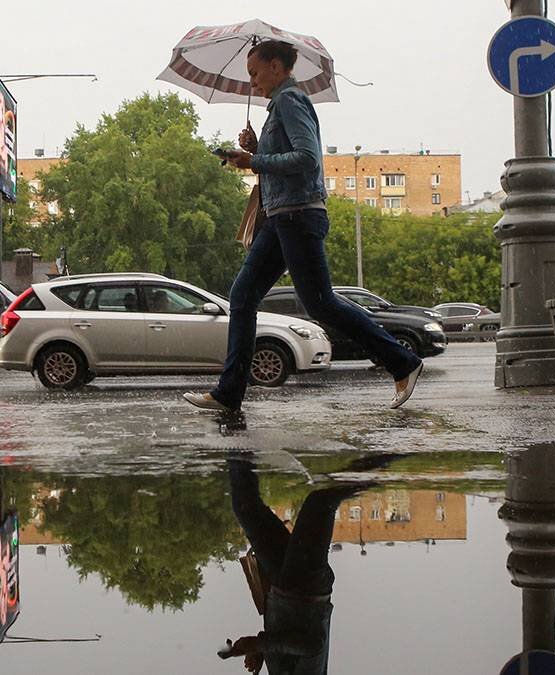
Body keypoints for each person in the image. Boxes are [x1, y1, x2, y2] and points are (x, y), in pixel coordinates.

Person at [184, 40, 423, 413]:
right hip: (282, 217)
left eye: (255, 73)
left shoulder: (290, 100)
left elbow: (307, 158)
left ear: (276, 67)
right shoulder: (280, 105)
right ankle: (229, 394)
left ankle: (403, 361)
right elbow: (284, 153)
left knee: (321, 303)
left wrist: (255, 160)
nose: (252, 83)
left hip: (298, 216)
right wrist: (255, 147)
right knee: (243, 296)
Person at [220, 453, 395, 674]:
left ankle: (232, 426)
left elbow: (289, 644)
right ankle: (393, 451)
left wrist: (263, 651)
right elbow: (313, 646)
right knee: (320, 501)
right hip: (305, 589)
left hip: (282, 586)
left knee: (245, 506)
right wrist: (260, 645)